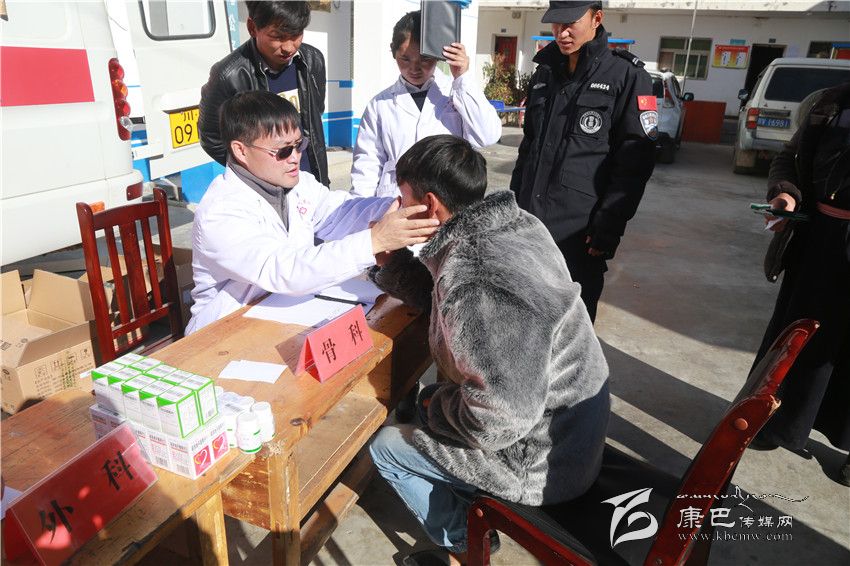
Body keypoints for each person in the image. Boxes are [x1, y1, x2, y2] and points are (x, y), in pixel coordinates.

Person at [367, 135, 610, 565]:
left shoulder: (476, 276)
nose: (398, 210)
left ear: (430, 204)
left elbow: (499, 420)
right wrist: (393, 262)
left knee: (387, 445)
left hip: (542, 463)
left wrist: (433, 405)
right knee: (427, 407)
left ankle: (465, 543)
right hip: (573, 433)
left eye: (402, 200)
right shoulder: (516, 225)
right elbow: (455, 308)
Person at [186, 91, 439, 334]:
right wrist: (374, 241)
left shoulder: (297, 184)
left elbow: (341, 213)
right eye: (283, 151)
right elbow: (284, 271)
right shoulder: (221, 212)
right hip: (226, 330)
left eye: (299, 145)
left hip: (283, 312)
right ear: (241, 150)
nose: (295, 157)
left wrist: (403, 208)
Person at [510, 1, 656, 322]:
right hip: (530, 230)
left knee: (572, 332)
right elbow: (528, 149)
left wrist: (609, 225)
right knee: (524, 324)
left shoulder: (626, 76)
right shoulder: (544, 73)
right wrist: (513, 208)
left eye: (570, 24)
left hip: (579, 237)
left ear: (596, 18)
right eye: (556, 24)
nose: (561, 33)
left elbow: (634, 165)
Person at [750, 82, 850, 487]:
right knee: (795, 337)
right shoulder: (831, 101)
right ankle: (773, 422)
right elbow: (788, 159)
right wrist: (785, 195)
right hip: (817, 240)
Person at [349, 10, 501, 198]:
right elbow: (366, 167)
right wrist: (362, 209)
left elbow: (488, 135)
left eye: (425, 59)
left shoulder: (457, 91)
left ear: (438, 55)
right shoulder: (379, 105)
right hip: (396, 202)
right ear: (393, 51)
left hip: (447, 199)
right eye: (405, 58)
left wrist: (463, 77)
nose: (414, 68)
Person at [199, 1, 329, 185]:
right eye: (278, 37)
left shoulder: (312, 60)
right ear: (252, 28)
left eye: (296, 35)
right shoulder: (228, 75)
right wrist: (255, 171)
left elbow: (316, 113)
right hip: (265, 190)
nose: (289, 47)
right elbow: (211, 138)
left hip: (312, 182)